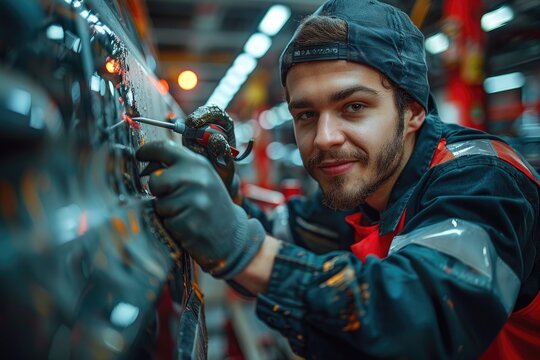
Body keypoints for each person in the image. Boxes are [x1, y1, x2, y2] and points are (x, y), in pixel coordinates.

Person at [136, 0, 540, 358]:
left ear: (413, 111)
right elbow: (287, 236)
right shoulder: (363, 188)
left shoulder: (483, 180)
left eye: (354, 106)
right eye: (306, 115)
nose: (325, 139)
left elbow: (420, 323)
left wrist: (243, 249)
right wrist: (226, 200)